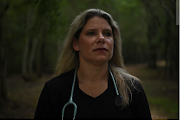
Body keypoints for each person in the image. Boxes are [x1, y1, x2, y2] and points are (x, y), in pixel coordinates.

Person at [34, 8, 152, 120]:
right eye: (91, 33)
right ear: (76, 44)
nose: (101, 38)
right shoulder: (54, 90)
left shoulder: (132, 89)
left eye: (107, 34)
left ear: (113, 43)